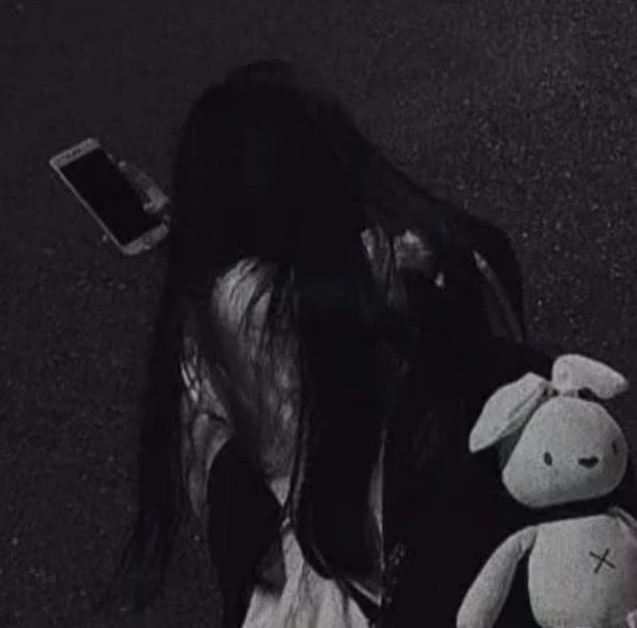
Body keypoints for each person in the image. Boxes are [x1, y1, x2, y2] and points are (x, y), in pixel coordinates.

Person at [106, 60, 637, 627]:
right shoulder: (448, 264)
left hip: (332, 601)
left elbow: (236, 336)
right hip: (476, 564)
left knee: (211, 443)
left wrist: (186, 247)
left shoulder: (221, 336)